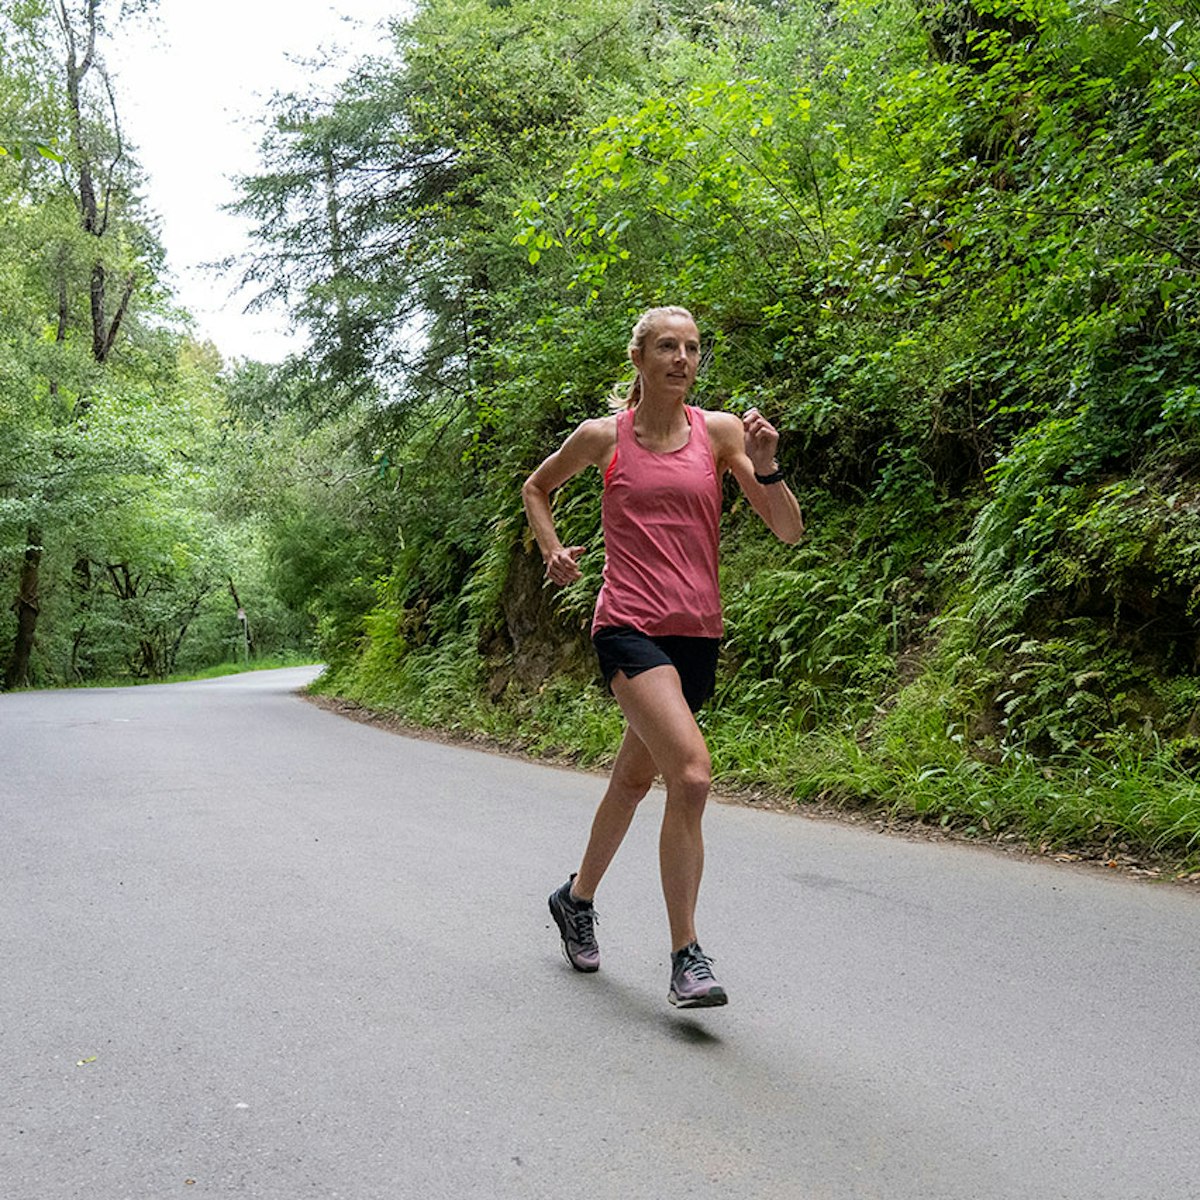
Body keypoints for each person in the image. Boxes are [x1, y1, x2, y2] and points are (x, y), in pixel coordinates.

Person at [521, 305, 803, 1008]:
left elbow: (788, 532)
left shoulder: (721, 434)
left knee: (631, 782)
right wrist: (552, 549)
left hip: (697, 633)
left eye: (694, 348)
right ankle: (687, 956)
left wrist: (767, 470)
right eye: (668, 347)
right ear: (639, 359)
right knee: (694, 775)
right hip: (627, 625)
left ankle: (575, 898)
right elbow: (537, 487)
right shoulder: (602, 438)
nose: (683, 358)